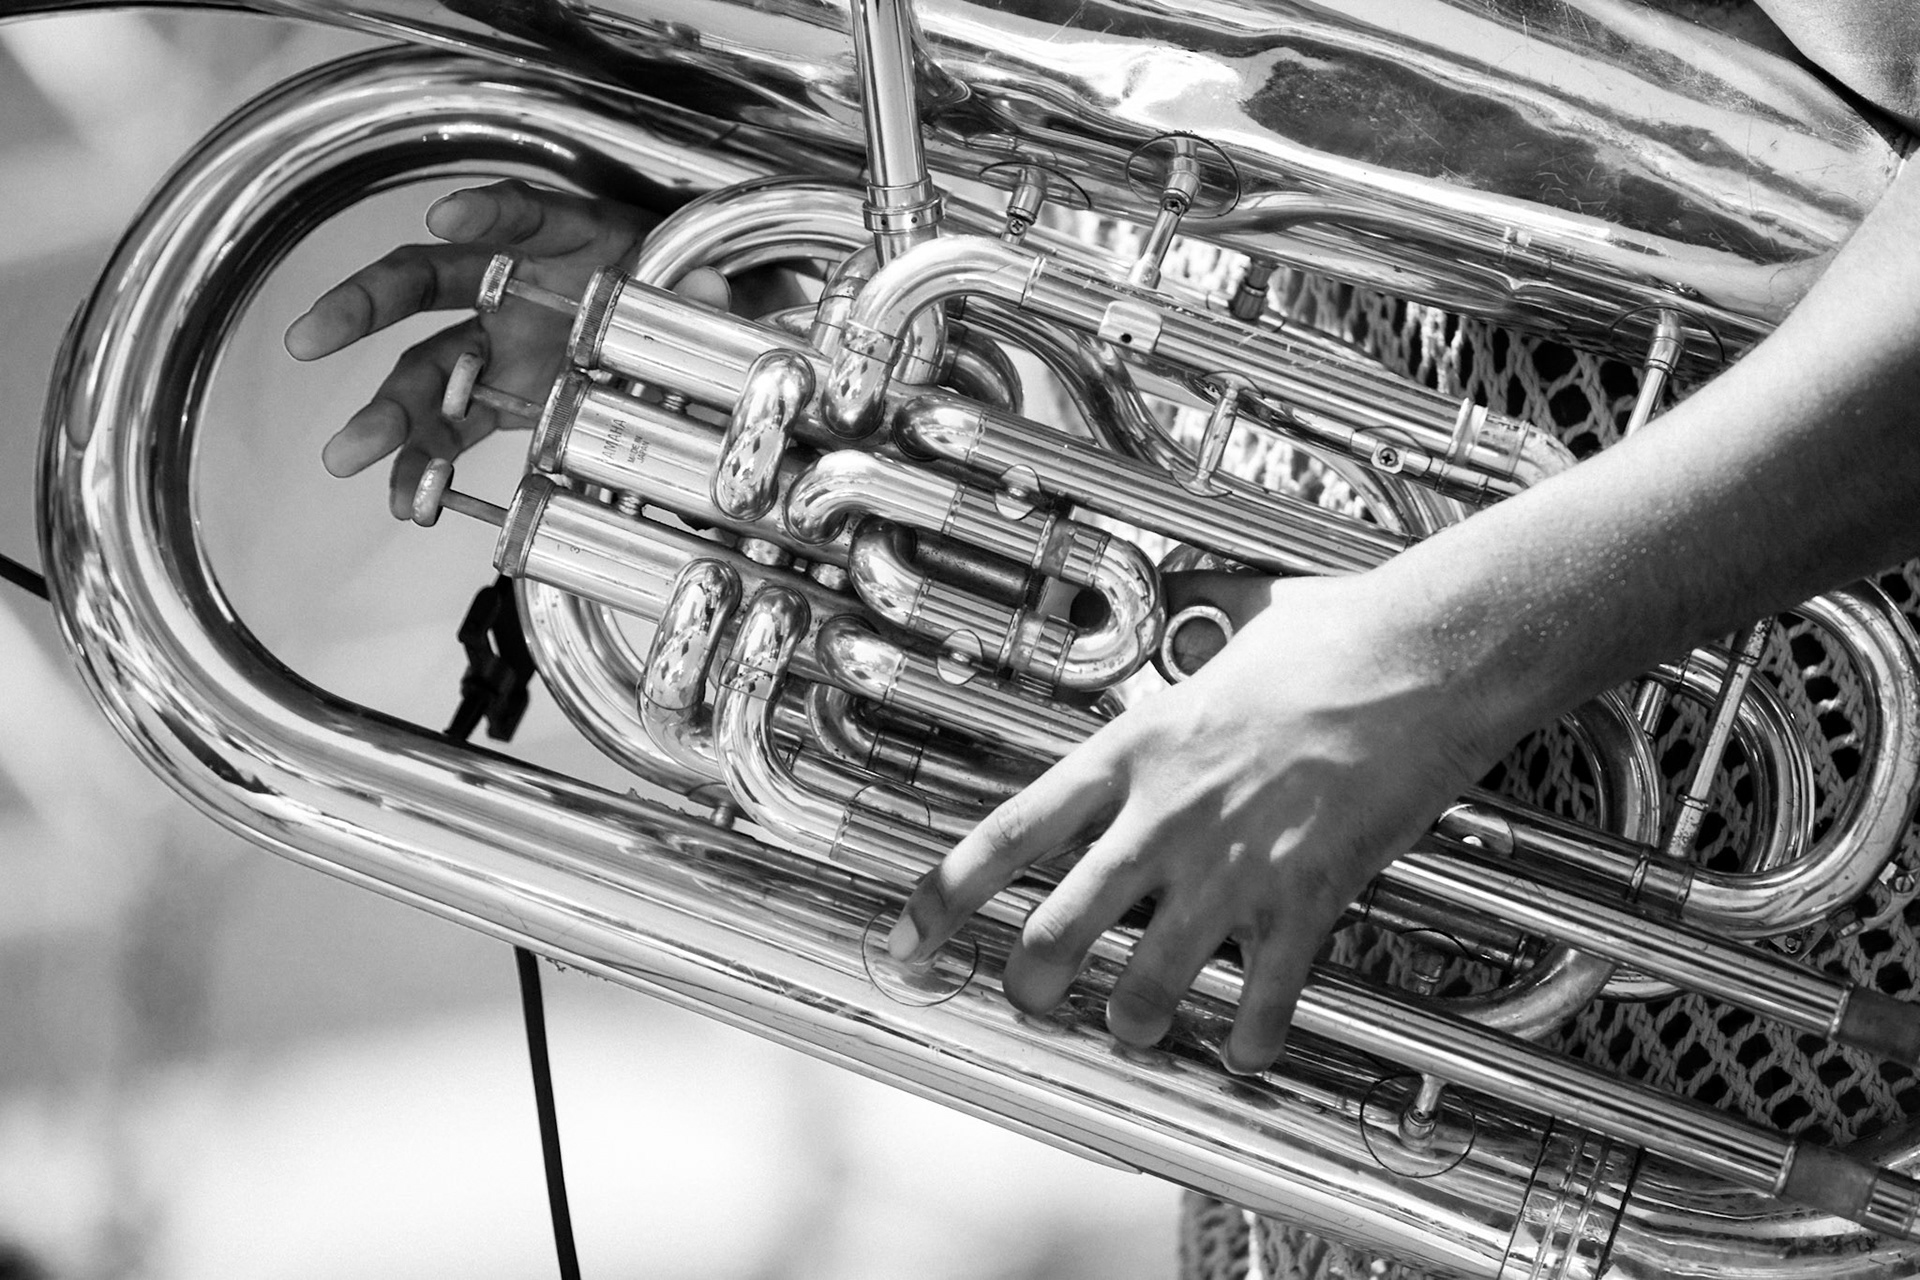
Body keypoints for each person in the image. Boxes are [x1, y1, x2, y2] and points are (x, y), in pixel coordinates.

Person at [284, 19, 1920, 1081]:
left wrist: (1435, 657)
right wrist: (756, 347)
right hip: (1392, 1112)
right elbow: (1197, 404)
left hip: (1833, 973)